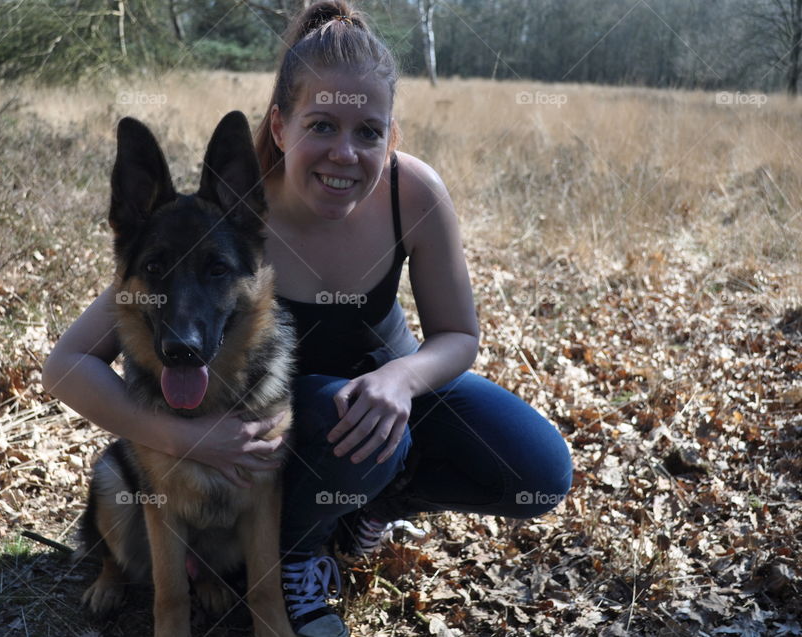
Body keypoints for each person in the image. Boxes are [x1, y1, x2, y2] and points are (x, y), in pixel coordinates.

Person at [42, 2, 572, 636]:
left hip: (394, 389)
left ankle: (366, 508)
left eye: (368, 131)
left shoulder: (413, 193)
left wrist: (400, 379)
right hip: (295, 425)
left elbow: (458, 335)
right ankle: (297, 557)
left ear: (391, 136)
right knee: (342, 421)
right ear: (280, 124)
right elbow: (67, 365)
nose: (344, 153)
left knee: (538, 470)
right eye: (322, 125)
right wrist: (181, 439)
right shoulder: (229, 222)